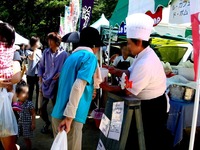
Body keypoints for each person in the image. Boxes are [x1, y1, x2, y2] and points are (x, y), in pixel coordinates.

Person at [101, 13, 168, 150]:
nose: (128, 47)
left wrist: (105, 87)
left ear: (138, 42)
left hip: (152, 107)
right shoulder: (142, 55)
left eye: (130, 43)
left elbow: (127, 90)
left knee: (146, 141)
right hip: (145, 103)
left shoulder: (146, 62)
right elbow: (130, 71)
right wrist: (116, 70)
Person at [51, 27, 103, 150]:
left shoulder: (71, 57)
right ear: (94, 45)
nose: (98, 50)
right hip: (71, 117)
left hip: (58, 113)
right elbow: (78, 86)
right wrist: (69, 118)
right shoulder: (90, 57)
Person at [38, 32, 68, 134]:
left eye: (52, 40)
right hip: (45, 83)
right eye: (49, 40)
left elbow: (68, 69)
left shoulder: (64, 54)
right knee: (42, 108)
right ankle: (47, 123)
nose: (49, 42)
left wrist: (61, 73)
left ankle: (56, 128)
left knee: (56, 107)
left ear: (57, 41)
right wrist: (40, 78)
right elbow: (41, 67)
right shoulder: (45, 53)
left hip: (57, 85)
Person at [0, 22, 21, 150]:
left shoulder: (13, 52)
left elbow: (16, 77)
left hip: (5, 103)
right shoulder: (12, 49)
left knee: (9, 142)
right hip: (6, 98)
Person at [15, 80, 36, 150]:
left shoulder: (29, 104)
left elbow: (33, 113)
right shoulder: (15, 103)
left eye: (27, 93)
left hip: (27, 125)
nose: (26, 95)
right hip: (18, 124)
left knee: (26, 139)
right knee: (15, 138)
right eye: (24, 93)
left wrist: (33, 123)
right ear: (17, 94)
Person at [26, 36, 42, 113]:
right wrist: (35, 49)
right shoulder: (28, 51)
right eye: (38, 42)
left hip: (38, 74)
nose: (39, 43)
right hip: (30, 75)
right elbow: (32, 58)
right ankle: (29, 108)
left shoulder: (40, 51)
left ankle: (37, 108)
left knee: (38, 92)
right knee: (30, 92)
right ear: (34, 43)